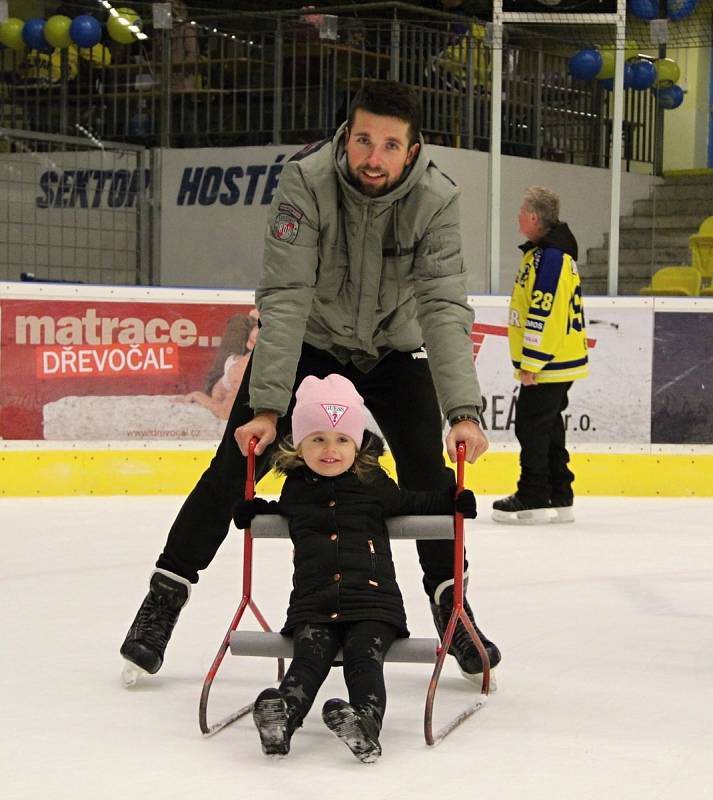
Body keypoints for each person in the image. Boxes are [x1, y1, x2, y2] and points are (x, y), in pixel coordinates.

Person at [120, 80, 500, 687]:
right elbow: (286, 298)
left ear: (413, 148)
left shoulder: (436, 198)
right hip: (308, 344)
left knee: (431, 476)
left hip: (390, 351)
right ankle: (163, 602)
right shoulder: (304, 183)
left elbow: (444, 306)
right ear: (346, 136)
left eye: (390, 145)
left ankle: (452, 609)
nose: (373, 157)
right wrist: (268, 408)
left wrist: (463, 409)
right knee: (235, 466)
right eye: (363, 140)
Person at [234, 374, 477, 762]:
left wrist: (454, 499)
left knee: (365, 660)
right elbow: (285, 512)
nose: (331, 450)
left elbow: (413, 501)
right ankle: (283, 717)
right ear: (300, 444)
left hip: (372, 603)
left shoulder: (373, 482)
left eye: (342, 439)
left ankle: (365, 722)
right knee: (307, 659)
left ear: (357, 443)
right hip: (314, 604)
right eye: (318, 439)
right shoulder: (295, 488)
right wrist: (257, 510)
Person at [492, 186, 589, 525]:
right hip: (557, 360)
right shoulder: (548, 254)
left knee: (531, 428)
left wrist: (531, 363)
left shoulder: (550, 258)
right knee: (547, 428)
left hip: (548, 363)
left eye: (521, 210)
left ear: (533, 217)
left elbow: (543, 313)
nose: (518, 215)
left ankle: (532, 495)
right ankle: (561, 493)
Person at [182, 310, 259, 419]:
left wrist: (197, 396)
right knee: (240, 319)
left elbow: (225, 412)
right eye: (257, 326)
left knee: (239, 320)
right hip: (237, 368)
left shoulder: (243, 369)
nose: (255, 333)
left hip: (218, 389)